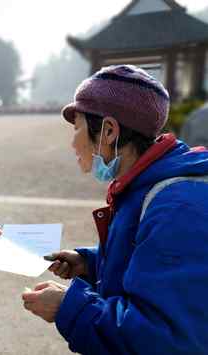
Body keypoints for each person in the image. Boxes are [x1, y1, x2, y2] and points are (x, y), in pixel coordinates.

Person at [22, 65, 208, 355]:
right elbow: (153, 263)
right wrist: (91, 263)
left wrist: (67, 306)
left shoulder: (176, 207)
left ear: (109, 131)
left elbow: (160, 339)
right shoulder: (145, 187)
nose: (72, 143)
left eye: (77, 128)